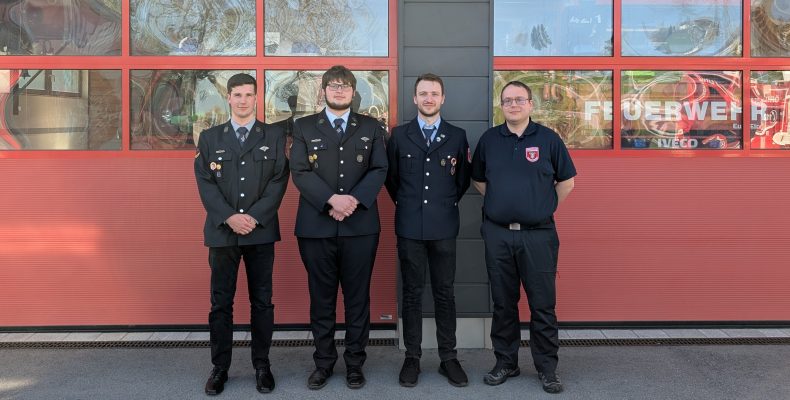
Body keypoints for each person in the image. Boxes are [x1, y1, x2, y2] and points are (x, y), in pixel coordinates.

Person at [471, 81, 576, 394]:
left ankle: (547, 368)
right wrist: (503, 206)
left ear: (531, 104)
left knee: (543, 305)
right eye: (507, 100)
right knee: (503, 304)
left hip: (538, 236)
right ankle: (506, 362)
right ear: (500, 106)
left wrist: (540, 207)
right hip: (498, 235)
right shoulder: (490, 140)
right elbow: (479, 181)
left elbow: (566, 181)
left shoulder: (548, 139)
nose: (513, 105)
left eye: (519, 100)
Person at [289, 65, 388, 390]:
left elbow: (379, 168)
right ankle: (324, 363)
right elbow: (300, 172)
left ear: (353, 91)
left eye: (345, 86)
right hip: (316, 228)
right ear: (324, 91)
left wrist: (353, 201)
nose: (339, 90)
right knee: (322, 299)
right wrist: (332, 199)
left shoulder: (371, 127)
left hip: (360, 227)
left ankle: (355, 365)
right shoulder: (303, 126)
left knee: (358, 299)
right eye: (333, 85)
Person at [194, 73, 290, 395]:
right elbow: (206, 185)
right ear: (228, 98)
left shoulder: (274, 136)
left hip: (260, 234)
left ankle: (262, 365)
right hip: (223, 235)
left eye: (249, 95)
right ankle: (219, 368)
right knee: (220, 304)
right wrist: (230, 218)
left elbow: (279, 181)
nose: (243, 100)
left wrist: (252, 218)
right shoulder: (209, 138)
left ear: (256, 98)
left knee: (262, 302)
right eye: (237, 95)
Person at [385, 73, 471, 387]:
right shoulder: (399, 135)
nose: (429, 98)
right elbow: (392, 180)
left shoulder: (457, 136)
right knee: (411, 294)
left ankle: (449, 358)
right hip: (409, 227)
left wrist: (440, 204)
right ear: (414, 98)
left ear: (443, 98)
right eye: (423, 93)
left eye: (434, 93)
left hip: (444, 227)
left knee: (445, 294)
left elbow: (460, 181)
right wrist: (411, 206)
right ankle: (412, 358)